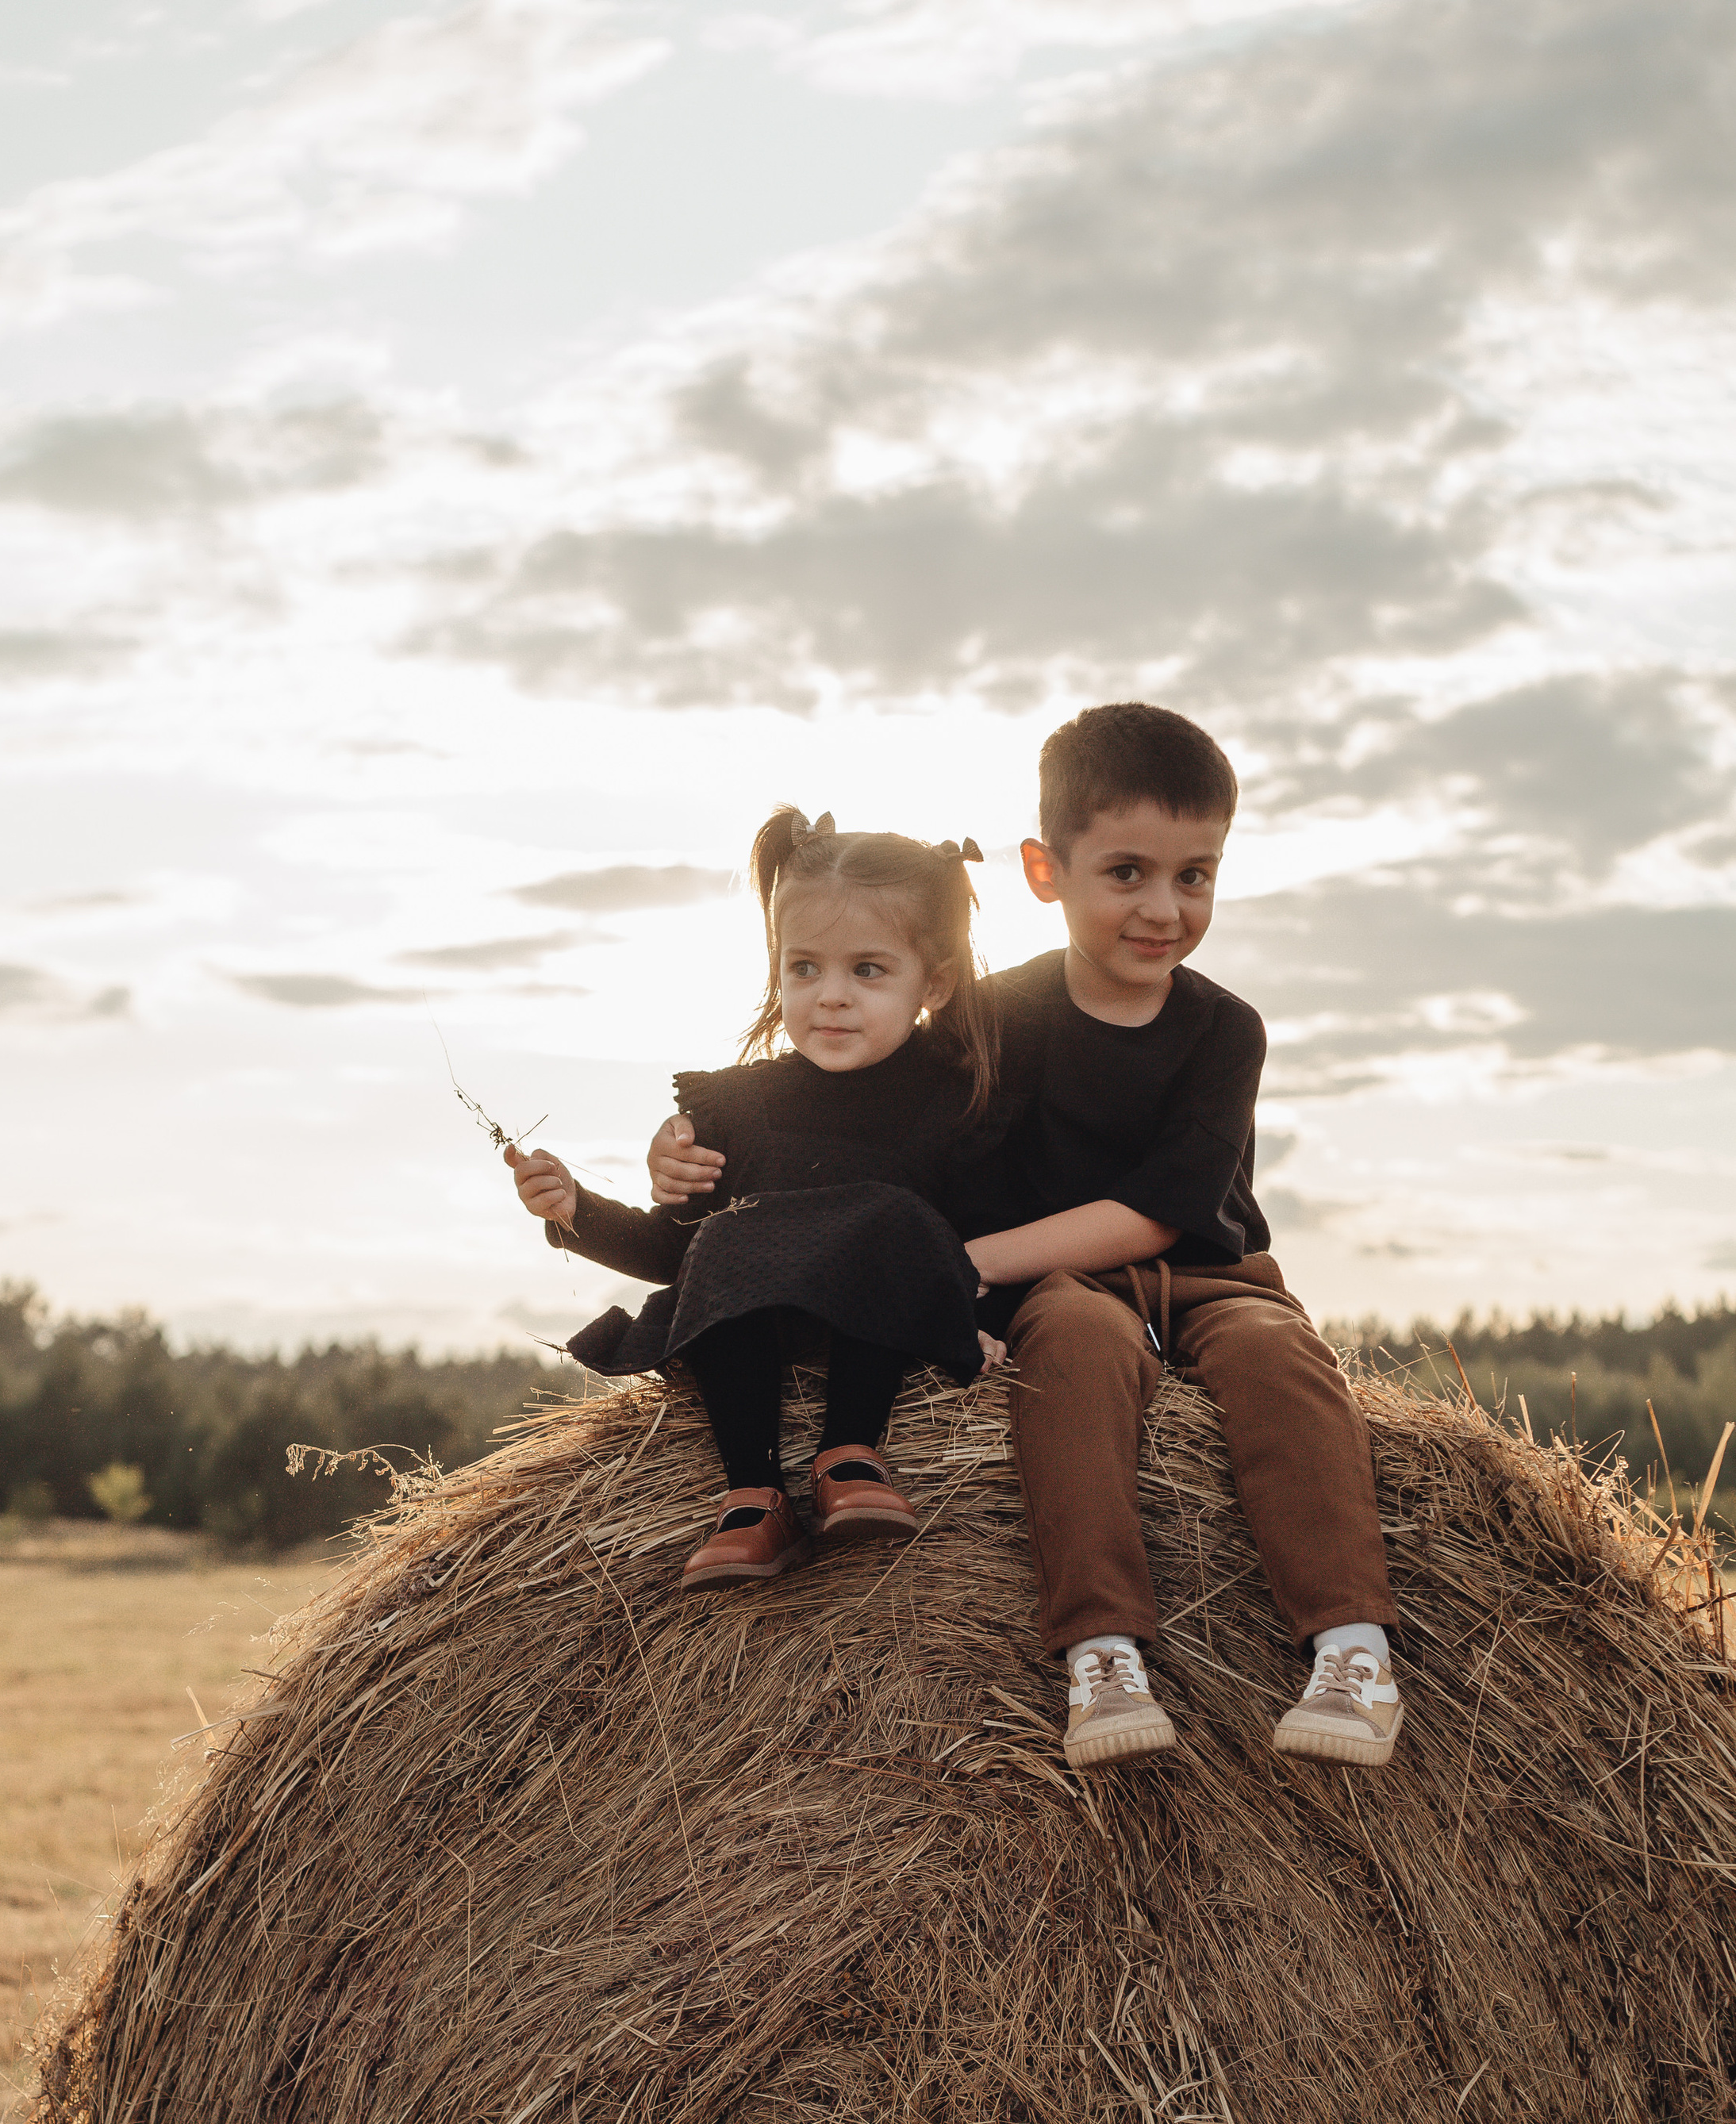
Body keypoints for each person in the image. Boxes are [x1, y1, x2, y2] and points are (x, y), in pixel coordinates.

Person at [647, 706, 1403, 1764]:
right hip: (1059, 1293)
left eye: (1197, 877)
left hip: (1210, 1273)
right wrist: (688, 1144)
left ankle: (1351, 1651)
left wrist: (957, 1269)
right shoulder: (988, 1016)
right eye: (1128, 872)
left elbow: (1164, 1208)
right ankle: (1103, 1653)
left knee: (1284, 1359)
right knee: (1075, 1365)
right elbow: (847, 1091)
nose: (1163, 907)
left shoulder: (1226, 1028)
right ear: (1046, 873)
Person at [507, 807, 1014, 1587]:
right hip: (752, 1334)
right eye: (803, 968)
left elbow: (986, 1241)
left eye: (866, 971)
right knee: (729, 1237)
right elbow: (682, 1249)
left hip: (883, 1333)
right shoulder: (734, 1108)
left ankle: (849, 1455)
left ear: (934, 981)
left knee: (885, 1219)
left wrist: (969, 1323)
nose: (830, 997)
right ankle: (753, 1496)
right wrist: (575, 1208)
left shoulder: (958, 1102)